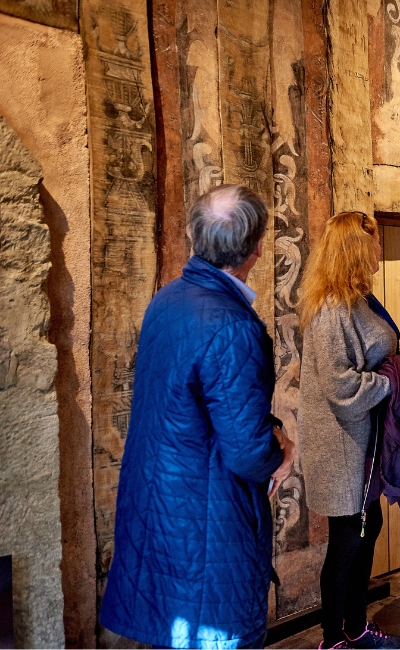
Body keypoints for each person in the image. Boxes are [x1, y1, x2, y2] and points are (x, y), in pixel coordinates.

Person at [100, 184, 296, 649]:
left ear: (194, 236)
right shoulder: (232, 325)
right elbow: (247, 452)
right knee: (216, 633)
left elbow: (192, 404)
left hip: (163, 503)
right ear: (258, 248)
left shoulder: (168, 299)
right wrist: (281, 451)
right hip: (207, 516)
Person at [298, 212, 400, 650]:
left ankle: (357, 627)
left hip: (363, 438)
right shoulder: (330, 309)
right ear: (354, 250)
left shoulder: (357, 300)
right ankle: (332, 639)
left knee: (368, 527)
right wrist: (389, 383)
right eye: (373, 243)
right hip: (340, 441)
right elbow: (341, 385)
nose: (379, 251)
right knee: (347, 540)